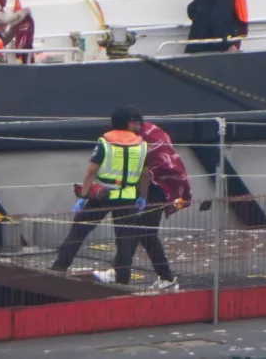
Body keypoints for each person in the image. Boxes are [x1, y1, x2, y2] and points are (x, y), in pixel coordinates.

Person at [92, 110, 192, 290]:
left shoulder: (149, 137)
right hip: (141, 189)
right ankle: (162, 277)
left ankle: (128, 273)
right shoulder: (143, 133)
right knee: (141, 233)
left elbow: (159, 166)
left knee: (141, 232)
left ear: (133, 123)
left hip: (158, 188)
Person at [50, 107, 150, 285]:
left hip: (102, 195)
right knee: (125, 241)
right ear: (129, 123)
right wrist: (142, 197)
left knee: (79, 230)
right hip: (127, 198)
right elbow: (145, 174)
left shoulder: (105, 142)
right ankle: (123, 282)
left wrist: (83, 196)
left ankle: (59, 267)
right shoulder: (142, 145)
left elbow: (92, 171)